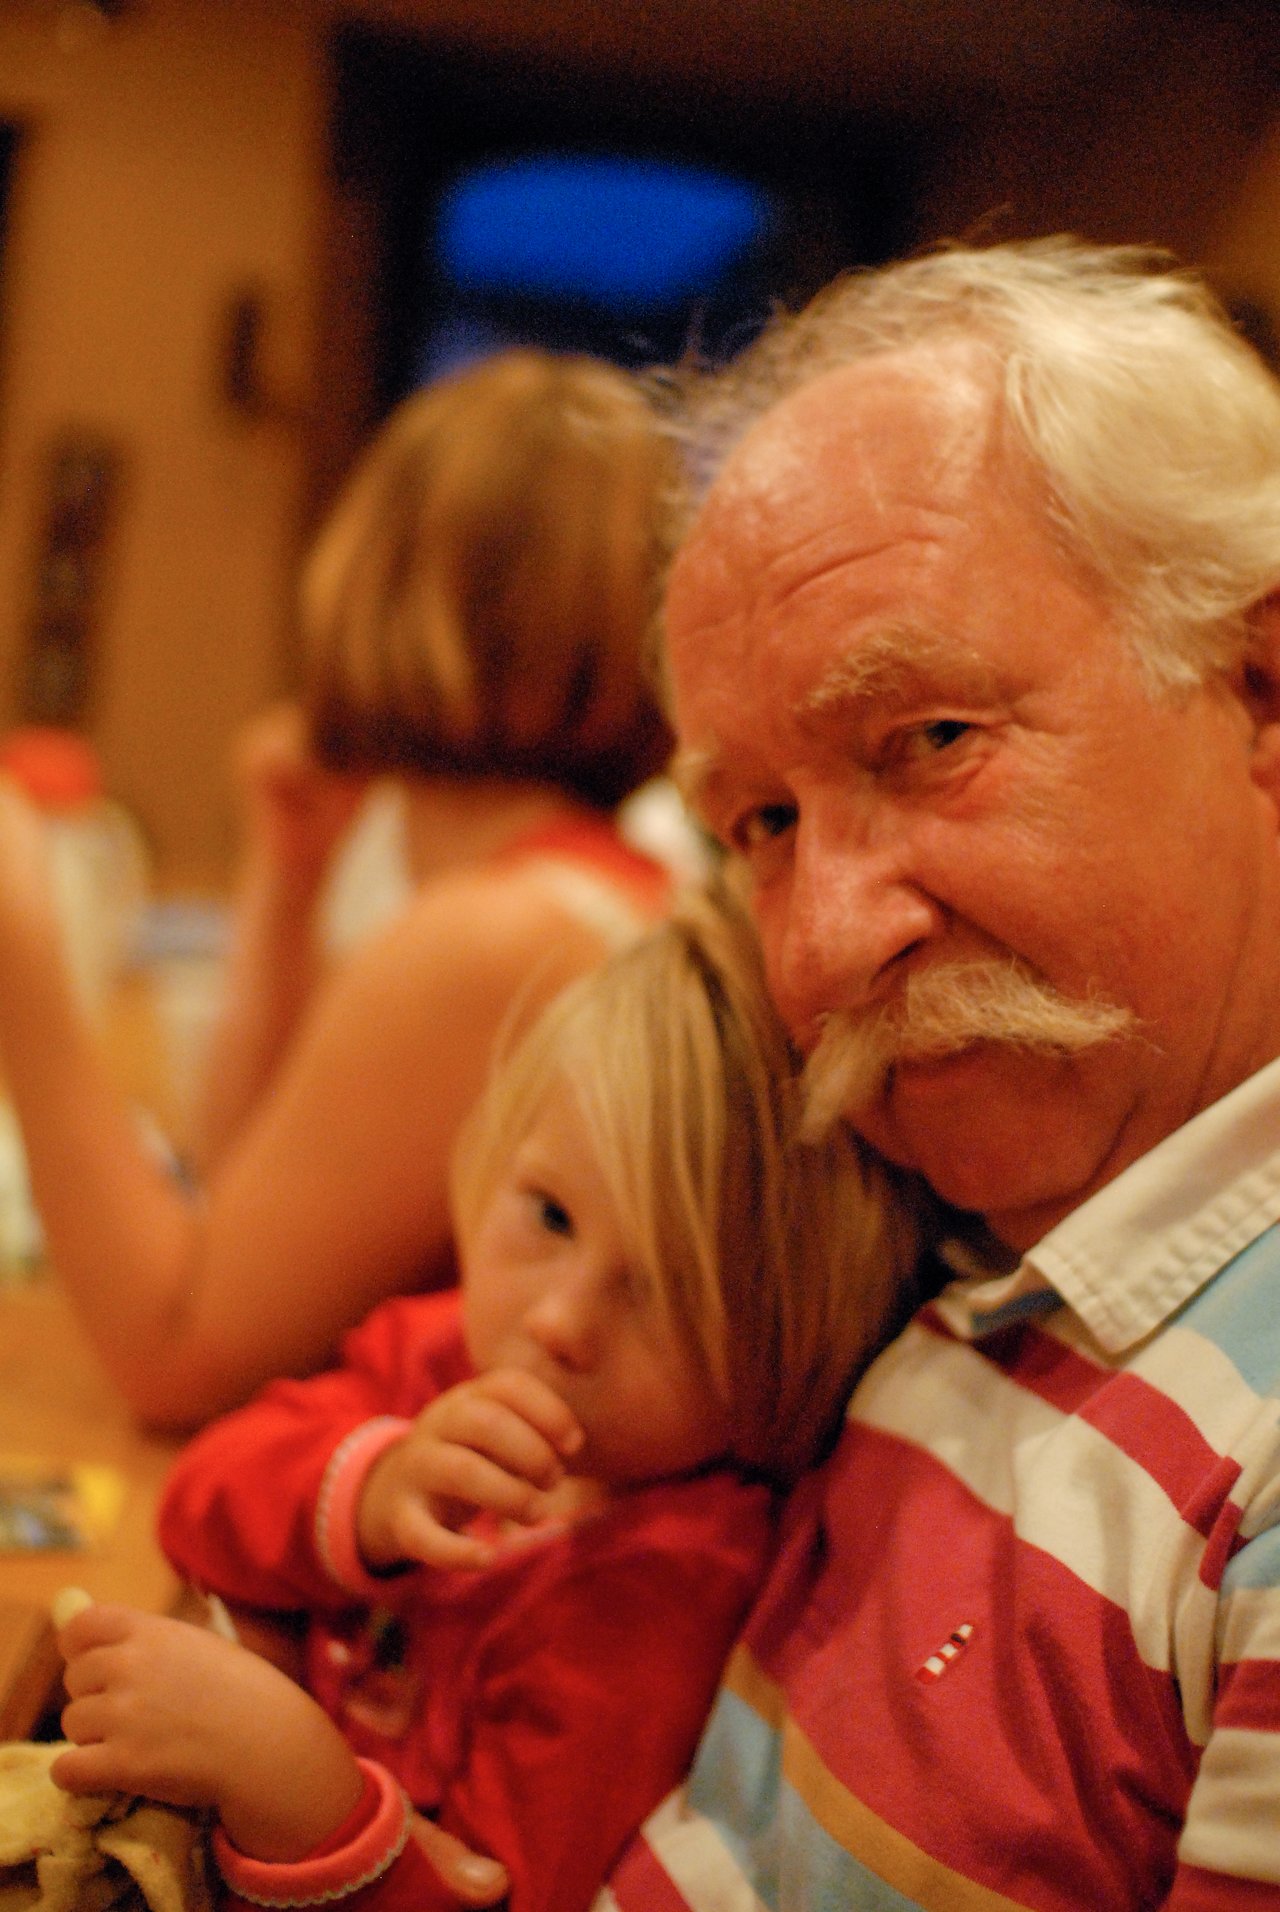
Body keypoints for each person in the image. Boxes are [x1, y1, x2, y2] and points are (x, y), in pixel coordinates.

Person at [592, 237, 1280, 1908]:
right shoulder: (931, 1222)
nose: (820, 952)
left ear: (1262, 684)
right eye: (760, 823)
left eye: (930, 740)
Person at [48, 895, 922, 1912]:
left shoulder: (658, 1591)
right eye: (548, 1213)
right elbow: (199, 1500)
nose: (558, 1318)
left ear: (792, 1344)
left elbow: (504, 1891)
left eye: (662, 1288)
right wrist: (374, 1487)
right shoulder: (447, 1352)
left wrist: (293, 1780)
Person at [0, 348, 678, 1430]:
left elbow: (178, 1358)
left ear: (374, 583)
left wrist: (22, 962)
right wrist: (286, 880)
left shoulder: (493, 938)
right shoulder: (577, 887)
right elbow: (242, 1219)